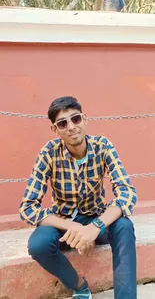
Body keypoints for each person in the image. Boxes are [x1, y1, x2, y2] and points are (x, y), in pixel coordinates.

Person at [19, 96, 137, 299]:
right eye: (63, 123)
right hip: (64, 225)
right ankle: (80, 285)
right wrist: (76, 228)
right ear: (55, 130)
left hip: (96, 220)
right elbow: (28, 207)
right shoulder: (49, 153)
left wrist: (95, 227)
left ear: (85, 119)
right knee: (38, 245)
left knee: (124, 226)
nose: (72, 127)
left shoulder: (103, 146)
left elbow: (127, 193)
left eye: (76, 119)